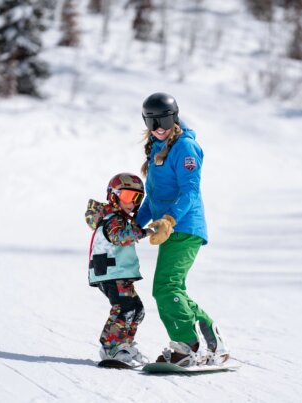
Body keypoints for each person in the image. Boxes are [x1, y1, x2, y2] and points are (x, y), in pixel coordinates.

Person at [136, 92, 230, 367]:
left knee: (166, 287)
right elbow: (154, 198)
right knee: (172, 287)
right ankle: (210, 340)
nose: (159, 127)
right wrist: (134, 225)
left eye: (163, 120)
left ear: (174, 117)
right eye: (152, 122)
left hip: (184, 226)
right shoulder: (155, 148)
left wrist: (169, 220)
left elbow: (189, 191)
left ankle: (186, 346)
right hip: (171, 227)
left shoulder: (185, 148)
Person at [85, 173, 151, 365]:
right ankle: (111, 347)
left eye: (137, 198)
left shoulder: (121, 217)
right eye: (127, 196)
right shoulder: (113, 218)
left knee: (137, 310)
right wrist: (144, 232)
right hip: (110, 273)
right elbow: (119, 237)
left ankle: (124, 345)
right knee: (124, 308)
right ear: (113, 195)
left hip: (118, 273)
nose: (132, 203)